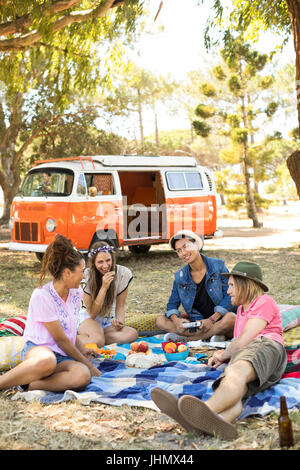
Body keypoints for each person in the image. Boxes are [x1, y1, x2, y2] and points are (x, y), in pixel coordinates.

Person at [151, 261, 287, 440]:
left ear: (245, 285)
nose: (228, 291)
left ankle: (201, 412)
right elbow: (241, 346)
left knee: (235, 373)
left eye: (231, 285)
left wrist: (224, 354)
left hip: (265, 346)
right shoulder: (241, 311)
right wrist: (226, 357)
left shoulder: (263, 301)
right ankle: (219, 422)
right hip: (254, 358)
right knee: (234, 387)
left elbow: (246, 338)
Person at [0, 234, 101, 393]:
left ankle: (28, 385)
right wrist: (89, 365)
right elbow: (61, 340)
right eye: (81, 271)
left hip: (62, 356)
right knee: (48, 361)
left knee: (82, 375)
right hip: (39, 351)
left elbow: (69, 332)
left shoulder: (76, 293)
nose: (83, 276)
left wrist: (82, 349)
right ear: (67, 273)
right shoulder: (42, 296)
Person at [156, 230, 236, 341]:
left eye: (186, 246)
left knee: (231, 318)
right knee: (160, 320)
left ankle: (190, 339)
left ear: (196, 244)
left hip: (220, 318)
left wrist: (211, 320)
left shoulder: (218, 265)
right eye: (179, 251)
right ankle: (212, 335)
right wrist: (176, 321)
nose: (183, 253)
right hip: (198, 323)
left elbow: (230, 296)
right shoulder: (180, 276)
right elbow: (172, 304)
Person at [77, 241, 138, 346]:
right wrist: (104, 287)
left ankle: (96, 338)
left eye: (108, 260)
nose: (105, 265)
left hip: (107, 320)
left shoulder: (123, 273)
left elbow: (120, 306)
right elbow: (92, 313)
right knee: (97, 340)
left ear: (112, 259)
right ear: (94, 263)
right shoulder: (86, 275)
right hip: (88, 319)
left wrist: (119, 322)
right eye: (100, 262)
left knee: (132, 334)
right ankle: (76, 339)